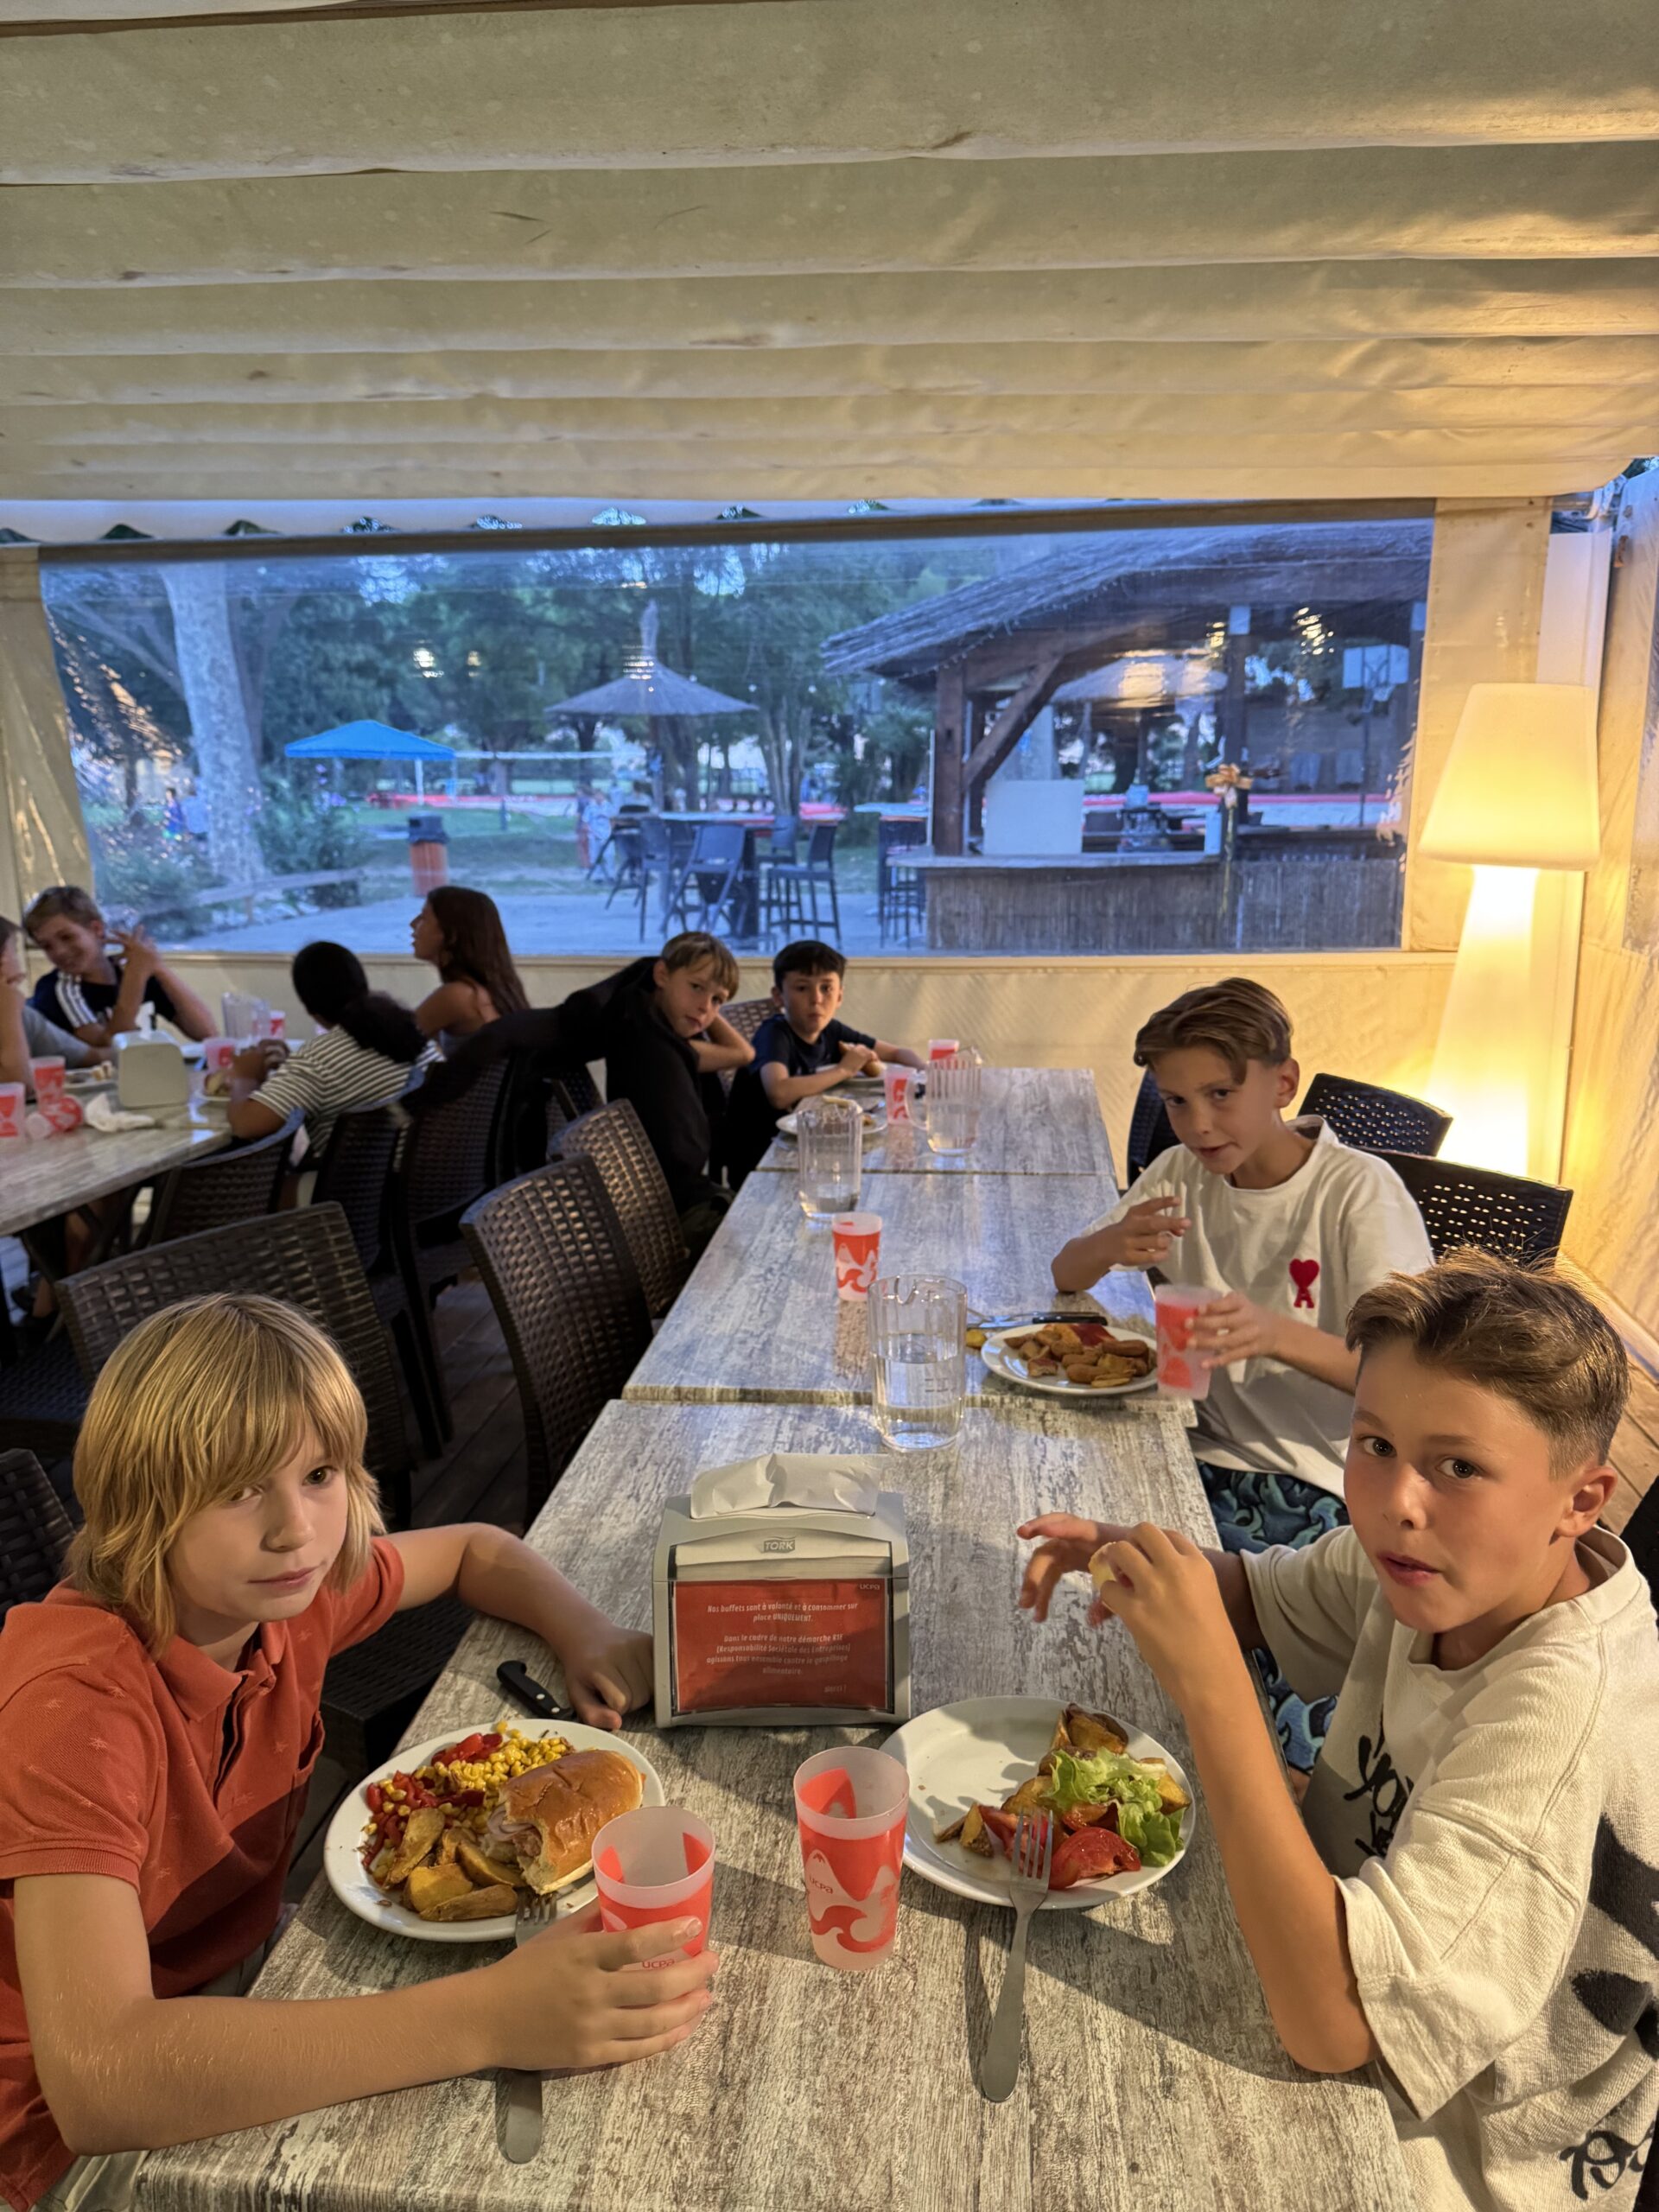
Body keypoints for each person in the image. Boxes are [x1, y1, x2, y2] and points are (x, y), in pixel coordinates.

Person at [0, 1294, 717, 2212]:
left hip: (230, 1985)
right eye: (236, 1489)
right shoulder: (75, 1705)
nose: (295, 1529)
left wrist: (589, 1632)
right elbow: (103, 2081)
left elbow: (475, 1549)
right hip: (57, 2131)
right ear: (140, 1502)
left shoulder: (281, 1596)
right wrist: (491, 2017)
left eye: (319, 1473)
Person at [1017, 1254, 1658, 2212]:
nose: (1398, 1500)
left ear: (1580, 1502)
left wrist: (1213, 1688)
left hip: (1440, 2157)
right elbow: (1260, 1595)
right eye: (1375, 1444)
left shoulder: (1559, 1719)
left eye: (1460, 1467)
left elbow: (1331, 2026)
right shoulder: (1437, 1563)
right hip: (1332, 1968)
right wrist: (1131, 1553)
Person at [1051, 977, 1433, 1768]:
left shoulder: (1356, 1193)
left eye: (1221, 1094)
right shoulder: (1180, 1176)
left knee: (1229, 1686)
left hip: (1316, 1481)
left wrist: (1276, 1334)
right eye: (1177, 1101)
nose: (1199, 1123)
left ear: (1283, 1083)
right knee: (1068, 1603)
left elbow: (1415, 1382)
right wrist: (1111, 1245)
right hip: (1191, 1450)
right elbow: (1065, 1272)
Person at [431, 931, 752, 1258]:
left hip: (677, 1202)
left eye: (718, 1000)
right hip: (670, 1217)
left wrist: (698, 1003)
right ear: (661, 975)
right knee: (763, 1240)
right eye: (696, 987)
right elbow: (740, 1055)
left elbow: (743, 1054)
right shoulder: (643, 1040)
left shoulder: (665, 1040)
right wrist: (698, 999)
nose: (706, 1007)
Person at [720, 939, 925, 1186]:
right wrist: (844, 1069)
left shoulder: (831, 1031)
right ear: (778, 996)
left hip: (806, 1151)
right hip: (761, 1165)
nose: (816, 999)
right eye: (802, 988)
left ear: (840, 996)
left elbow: (900, 1053)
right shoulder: (774, 1034)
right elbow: (779, 1093)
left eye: (826, 988)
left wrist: (929, 1075)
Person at [224, 941, 435, 1161]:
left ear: (309, 1007)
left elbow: (245, 1126)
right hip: (418, 1169)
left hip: (357, 1180)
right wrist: (291, 1068)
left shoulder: (318, 1061)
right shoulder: (408, 1029)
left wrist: (244, 1077)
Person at [23, 887, 214, 1051]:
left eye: (67, 937)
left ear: (97, 930)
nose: (59, 951)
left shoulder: (131, 971)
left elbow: (207, 1033)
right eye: (47, 946)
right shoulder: (56, 989)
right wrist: (135, 977)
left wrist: (157, 967)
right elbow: (110, 1048)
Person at [408, 886, 528, 1053]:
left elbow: (392, 1045)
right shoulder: (497, 989)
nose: (413, 924)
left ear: (451, 934)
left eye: (424, 917)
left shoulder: (459, 995)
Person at [0, 918, 101, 1090]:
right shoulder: (12, 1011)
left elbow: (92, 1058)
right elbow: (17, 1085)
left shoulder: (24, 1016)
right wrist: (8, 1011)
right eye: (15, 950)